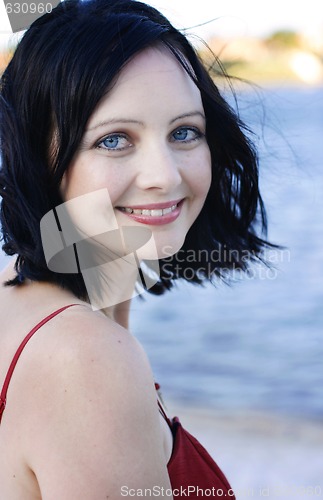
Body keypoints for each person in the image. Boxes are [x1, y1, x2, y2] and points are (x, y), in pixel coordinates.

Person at [0, 0, 271, 497]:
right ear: (36, 155)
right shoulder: (88, 360)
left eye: (184, 132)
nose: (165, 175)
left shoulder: (20, 302)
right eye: (114, 140)